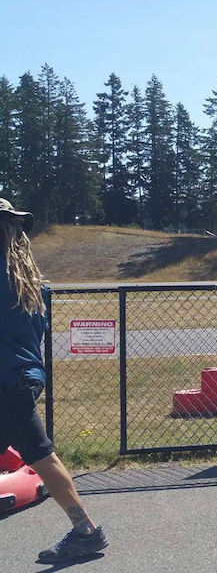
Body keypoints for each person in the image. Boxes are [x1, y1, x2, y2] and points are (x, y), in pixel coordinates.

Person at [0, 199, 108, 563]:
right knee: (41, 455)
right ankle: (85, 531)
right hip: (24, 377)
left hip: (6, 383)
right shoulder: (30, 283)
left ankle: (86, 531)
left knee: (41, 455)